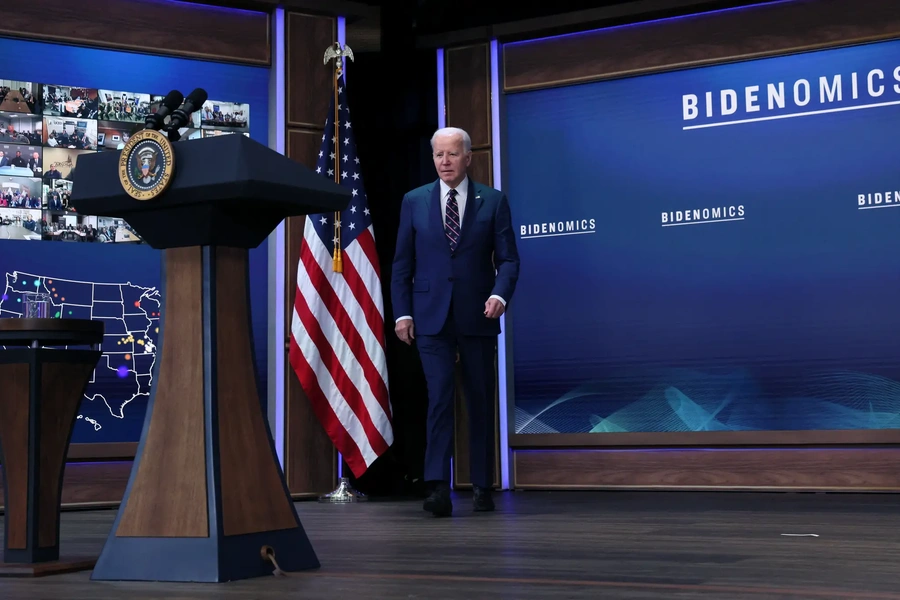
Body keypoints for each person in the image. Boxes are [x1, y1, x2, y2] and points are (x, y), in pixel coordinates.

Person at [391, 126, 520, 517]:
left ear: (468, 157)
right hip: (430, 317)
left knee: (479, 400)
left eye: (451, 154)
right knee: (439, 400)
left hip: (476, 315)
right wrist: (402, 311)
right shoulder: (414, 201)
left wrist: (499, 295)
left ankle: (482, 485)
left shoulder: (493, 201)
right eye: (438, 155)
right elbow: (402, 263)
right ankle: (437, 488)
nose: (444, 162)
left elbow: (509, 259)